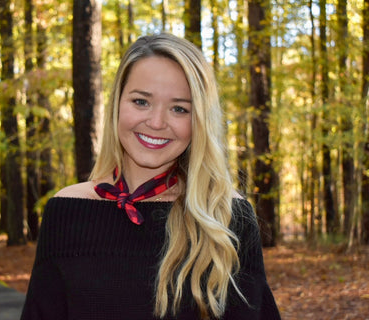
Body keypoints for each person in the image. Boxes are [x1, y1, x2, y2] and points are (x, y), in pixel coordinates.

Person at [20, 33, 281, 320]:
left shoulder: (226, 215)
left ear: (198, 123)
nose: (156, 122)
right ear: (118, 103)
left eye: (179, 108)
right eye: (141, 102)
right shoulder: (66, 210)